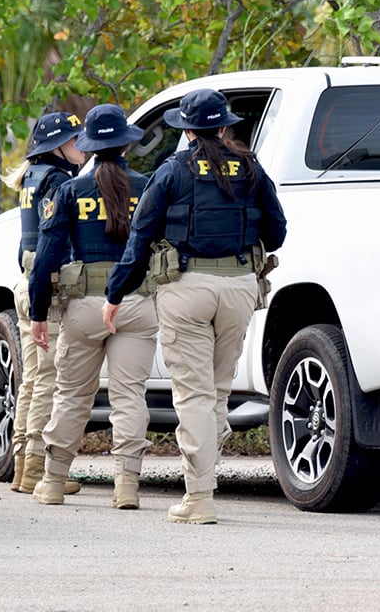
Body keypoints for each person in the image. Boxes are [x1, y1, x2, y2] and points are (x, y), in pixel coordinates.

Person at [103, 88, 286, 524]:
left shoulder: (172, 172)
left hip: (186, 289)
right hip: (240, 287)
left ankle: (199, 496)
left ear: (186, 131)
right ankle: (203, 480)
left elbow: (139, 238)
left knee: (194, 395)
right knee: (217, 393)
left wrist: (115, 294)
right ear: (224, 127)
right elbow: (277, 233)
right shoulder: (252, 169)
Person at [28, 104, 158, 510]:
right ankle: (127, 487)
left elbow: (46, 257)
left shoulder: (70, 191)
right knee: (130, 397)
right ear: (125, 145)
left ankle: (52, 482)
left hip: (83, 307)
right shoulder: (148, 186)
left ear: (90, 146)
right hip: (136, 304)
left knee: (71, 396)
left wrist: (37, 313)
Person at [0, 112, 86, 496]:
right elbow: (55, 241)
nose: (81, 145)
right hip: (44, 285)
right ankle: (36, 469)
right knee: (48, 381)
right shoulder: (57, 181)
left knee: (32, 381)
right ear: (57, 147)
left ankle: (22, 467)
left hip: (27, 280)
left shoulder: (33, 176)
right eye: (74, 139)